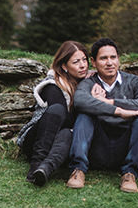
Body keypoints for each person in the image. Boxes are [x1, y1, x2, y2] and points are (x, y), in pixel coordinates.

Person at [66, 38, 138, 192]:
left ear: (118, 59)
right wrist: (120, 111)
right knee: (84, 114)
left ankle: (129, 174)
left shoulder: (135, 82)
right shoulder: (88, 83)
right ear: (93, 62)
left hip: (124, 145)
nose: (109, 63)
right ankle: (78, 170)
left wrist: (109, 101)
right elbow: (80, 101)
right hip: (97, 146)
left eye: (113, 57)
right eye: (103, 58)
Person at [16, 40, 90, 187]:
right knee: (58, 110)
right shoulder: (53, 85)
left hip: (64, 140)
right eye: (76, 62)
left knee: (68, 133)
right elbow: (64, 120)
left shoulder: (89, 83)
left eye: (84, 60)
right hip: (38, 139)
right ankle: (36, 164)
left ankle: (44, 170)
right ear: (64, 66)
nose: (83, 65)